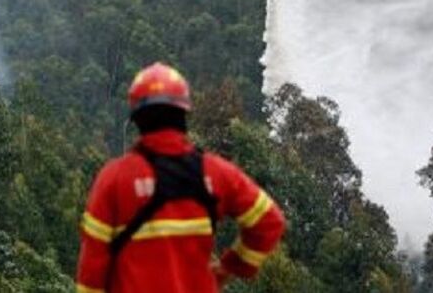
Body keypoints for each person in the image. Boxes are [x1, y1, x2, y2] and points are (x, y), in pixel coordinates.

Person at [75, 62, 286, 292]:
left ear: (136, 118)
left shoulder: (114, 179)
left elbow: (91, 269)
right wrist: (232, 266)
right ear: (183, 113)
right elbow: (269, 221)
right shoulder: (216, 173)